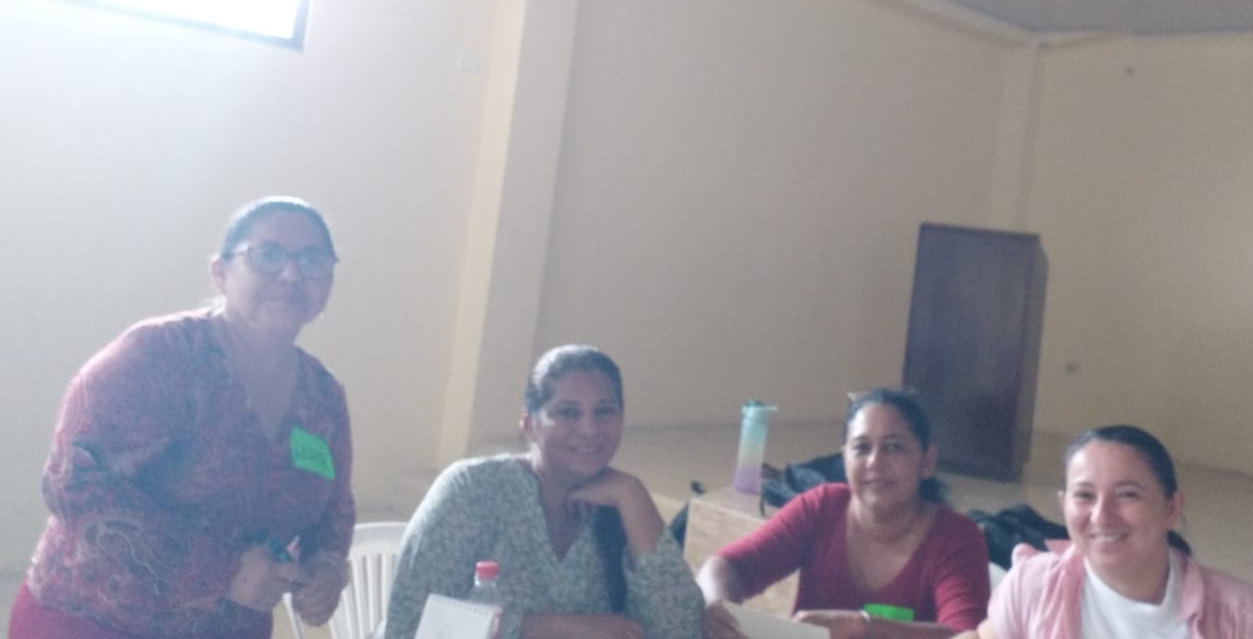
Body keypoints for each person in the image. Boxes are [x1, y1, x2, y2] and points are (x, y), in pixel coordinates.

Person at [9, 196, 355, 638]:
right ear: (220, 273)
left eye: (312, 260)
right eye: (267, 256)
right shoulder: (158, 356)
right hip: (95, 621)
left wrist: (326, 567)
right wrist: (222, 571)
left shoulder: (322, 398)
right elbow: (71, 482)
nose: (291, 275)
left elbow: (334, 510)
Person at [383, 344, 703, 639]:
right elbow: (408, 626)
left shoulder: (619, 505)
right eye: (568, 412)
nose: (589, 429)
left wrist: (633, 494)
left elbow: (682, 630)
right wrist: (549, 626)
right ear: (529, 424)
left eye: (604, 411)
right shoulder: (472, 491)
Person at [699, 387, 991, 639]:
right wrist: (718, 610)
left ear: (927, 461)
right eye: (861, 448)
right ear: (844, 460)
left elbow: (968, 636)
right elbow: (726, 566)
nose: (875, 462)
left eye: (894, 447)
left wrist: (864, 626)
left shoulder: (956, 537)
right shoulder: (821, 508)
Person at [956, 424, 1253, 639]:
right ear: (1063, 505)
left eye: (1127, 495)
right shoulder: (1034, 586)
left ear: (1171, 508)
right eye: (1084, 496)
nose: (1102, 515)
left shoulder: (1242, 617)